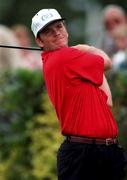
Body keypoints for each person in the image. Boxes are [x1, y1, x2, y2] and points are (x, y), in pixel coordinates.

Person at [31, 9, 126, 180]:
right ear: (39, 41)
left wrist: (87, 60)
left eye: (59, 26)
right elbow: (108, 62)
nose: (56, 32)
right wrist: (87, 48)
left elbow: (108, 102)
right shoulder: (65, 57)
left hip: (105, 151)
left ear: (66, 29)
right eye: (48, 31)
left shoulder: (70, 62)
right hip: (83, 155)